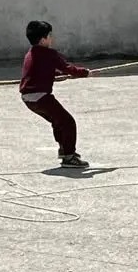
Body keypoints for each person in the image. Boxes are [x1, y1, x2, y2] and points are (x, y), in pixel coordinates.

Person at [20, 20, 92, 169]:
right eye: (50, 35)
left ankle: (64, 150)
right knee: (68, 122)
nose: (52, 38)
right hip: (41, 97)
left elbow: (42, 69)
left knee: (58, 121)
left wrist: (55, 73)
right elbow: (67, 68)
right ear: (43, 39)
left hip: (28, 99)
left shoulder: (31, 53)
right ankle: (69, 157)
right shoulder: (49, 54)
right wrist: (85, 73)